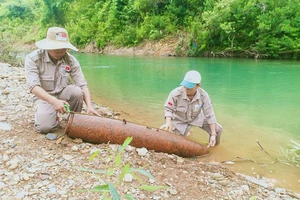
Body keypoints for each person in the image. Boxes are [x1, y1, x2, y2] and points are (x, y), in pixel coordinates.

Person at [25, 26, 100, 134]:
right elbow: (33, 87)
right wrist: (54, 101)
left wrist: (89, 106)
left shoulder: (70, 60)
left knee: (77, 92)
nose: (61, 50)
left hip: (63, 93)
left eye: (64, 47)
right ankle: (50, 114)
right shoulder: (33, 59)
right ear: (48, 46)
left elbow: (82, 84)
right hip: (44, 97)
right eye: (57, 47)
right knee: (44, 128)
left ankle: (72, 119)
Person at [160, 70, 222, 147]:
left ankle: (212, 147)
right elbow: (168, 108)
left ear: (198, 86)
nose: (186, 90)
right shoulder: (175, 93)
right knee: (176, 143)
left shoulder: (204, 96)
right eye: (184, 86)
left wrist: (213, 134)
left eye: (189, 88)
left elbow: (210, 114)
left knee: (217, 130)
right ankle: (186, 132)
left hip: (197, 118)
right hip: (180, 121)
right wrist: (168, 122)